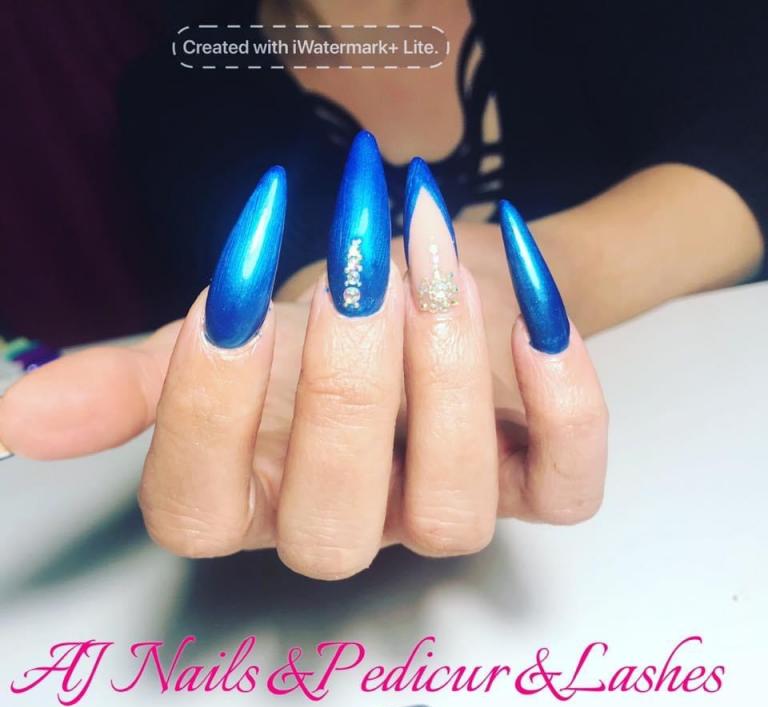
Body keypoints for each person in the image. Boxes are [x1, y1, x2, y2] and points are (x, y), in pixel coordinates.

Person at [0, 0, 765, 579]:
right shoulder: (180, 87)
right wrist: (324, 334)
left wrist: (507, 279)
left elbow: (745, 139)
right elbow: (296, 267)